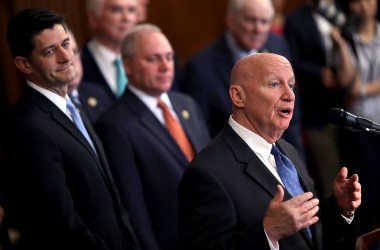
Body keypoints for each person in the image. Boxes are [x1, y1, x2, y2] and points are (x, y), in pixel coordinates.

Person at [178, 53, 361, 250]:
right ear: (238, 96)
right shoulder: (206, 173)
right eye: (274, 84)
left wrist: (339, 209)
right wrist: (267, 233)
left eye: (291, 86)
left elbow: (306, 236)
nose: (289, 95)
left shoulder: (288, 151)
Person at [1, 8, 140, 250]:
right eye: (50, 51)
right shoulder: (27, 126)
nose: (67, 56)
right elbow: (61, 222)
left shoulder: (73, 106)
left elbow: (111, 197)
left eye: (66, 44)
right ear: (24, 64)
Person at [94, 24, 211, 250]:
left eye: (169, 57)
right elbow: (134, 208)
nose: (166, 66)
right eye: (153, 59)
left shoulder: (187, 104)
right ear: (127, 65)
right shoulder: (113, 126)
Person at [179, 0, 305, 159]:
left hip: (282, 156)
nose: (258, 29)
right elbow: (200, 133)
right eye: (251, 20)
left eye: (264, 21)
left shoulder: (278, 44)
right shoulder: (200, 67)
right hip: (235, 163)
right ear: (231, 21)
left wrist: (300, 167)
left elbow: (293, 119)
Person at [284, 0, 356, 199]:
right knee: (332, 177)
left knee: (359, 171)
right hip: (317, 110)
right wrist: (318, 73)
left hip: (350, 104)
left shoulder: (345, 9)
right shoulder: (295, 19)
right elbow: (291, 61)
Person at [338, 0, 380, 234]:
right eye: (358, 1)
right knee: (367, 192)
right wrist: (341, 43)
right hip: (359, 127)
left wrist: (362, 90)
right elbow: (346, 81)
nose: (364, 5)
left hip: (379, 120)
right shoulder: (347, 37)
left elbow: (356, 89)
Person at [80, 0, 138, 123]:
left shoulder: (152, 59)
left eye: (131, 10)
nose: (126, 17)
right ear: (93, 18)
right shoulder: (77, 66)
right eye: (116, 10)